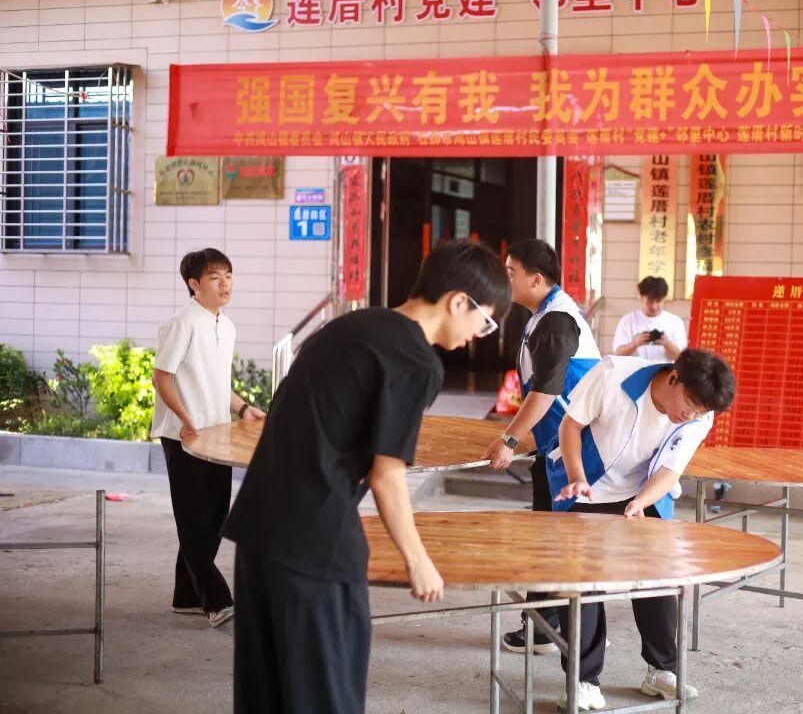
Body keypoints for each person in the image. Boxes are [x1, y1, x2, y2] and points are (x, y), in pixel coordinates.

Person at [222, 241, 511, 714]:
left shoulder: (347, 326)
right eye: (486, 321)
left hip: (258, 532)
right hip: (316, 545)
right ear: (459, 302)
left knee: (265, 694)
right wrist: (418, 560)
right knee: (326, 696)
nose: (479, 335)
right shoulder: (415, 360)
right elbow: (386, 475)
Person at [548, 349, 736, 711]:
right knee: (584, 579)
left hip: (641, 491)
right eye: (689, 405)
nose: (689, 416)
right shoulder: (613, 374)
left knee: (658, 574)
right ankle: (584, 681)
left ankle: (661, 670)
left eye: (699, 412)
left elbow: (670, 470)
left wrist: (639, 502)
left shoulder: (701, 414)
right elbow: (570, 425)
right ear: (673, 378)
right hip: (587, 484)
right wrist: (577, 478)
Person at [482, 239, 601, 654]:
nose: (505, 279)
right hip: (554, 447)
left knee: (563, 543)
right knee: (550, 538)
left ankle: (567, 635)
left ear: (535, 279)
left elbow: (546, 392)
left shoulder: (556, 320)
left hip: (573, 452)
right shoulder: (545, 315)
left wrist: (509, 439)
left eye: (510, 272)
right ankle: (543, 626)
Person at [151, 248, 266, 629]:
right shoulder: (181, 324)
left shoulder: (225, 325)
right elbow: (161, 378)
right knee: (193, 520)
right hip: (184, 436)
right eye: (215, 278)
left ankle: (187, 596)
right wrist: (185, 418)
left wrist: (243, 407)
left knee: (215, 518)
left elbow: (216, 382)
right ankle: (217, 600)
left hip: (217, 432)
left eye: (228, 276)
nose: (225, 284)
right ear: (194, 284)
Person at [612, 277, 687, 362]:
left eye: (658, 301)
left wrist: (666, 343)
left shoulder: (675, 322)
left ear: (664, 298)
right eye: (649, 301)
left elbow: (680, 358)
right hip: (636, 370)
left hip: (665, 370)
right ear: (641, 297)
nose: (654, 306)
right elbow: (618, 354)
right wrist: (635, 343)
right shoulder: (627, 321)